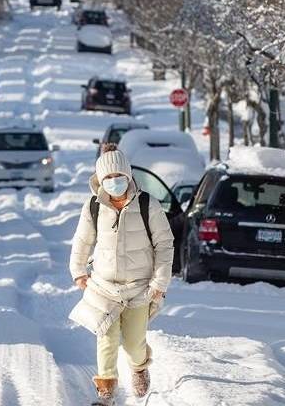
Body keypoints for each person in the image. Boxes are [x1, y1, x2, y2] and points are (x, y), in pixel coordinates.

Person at [69, 144, 174, 405]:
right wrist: (79, 271)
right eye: (108, 178)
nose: (114, 182)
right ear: (100, 180)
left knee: (133, 343)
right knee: (106, 338)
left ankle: (139, 367)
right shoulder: (93, 206)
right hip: (104, 286)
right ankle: (106, 393)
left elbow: (165, 244)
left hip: (139, 288)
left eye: (119, 177)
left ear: (128, 176)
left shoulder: (148, 205)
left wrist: (160, 282)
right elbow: (82, 241)